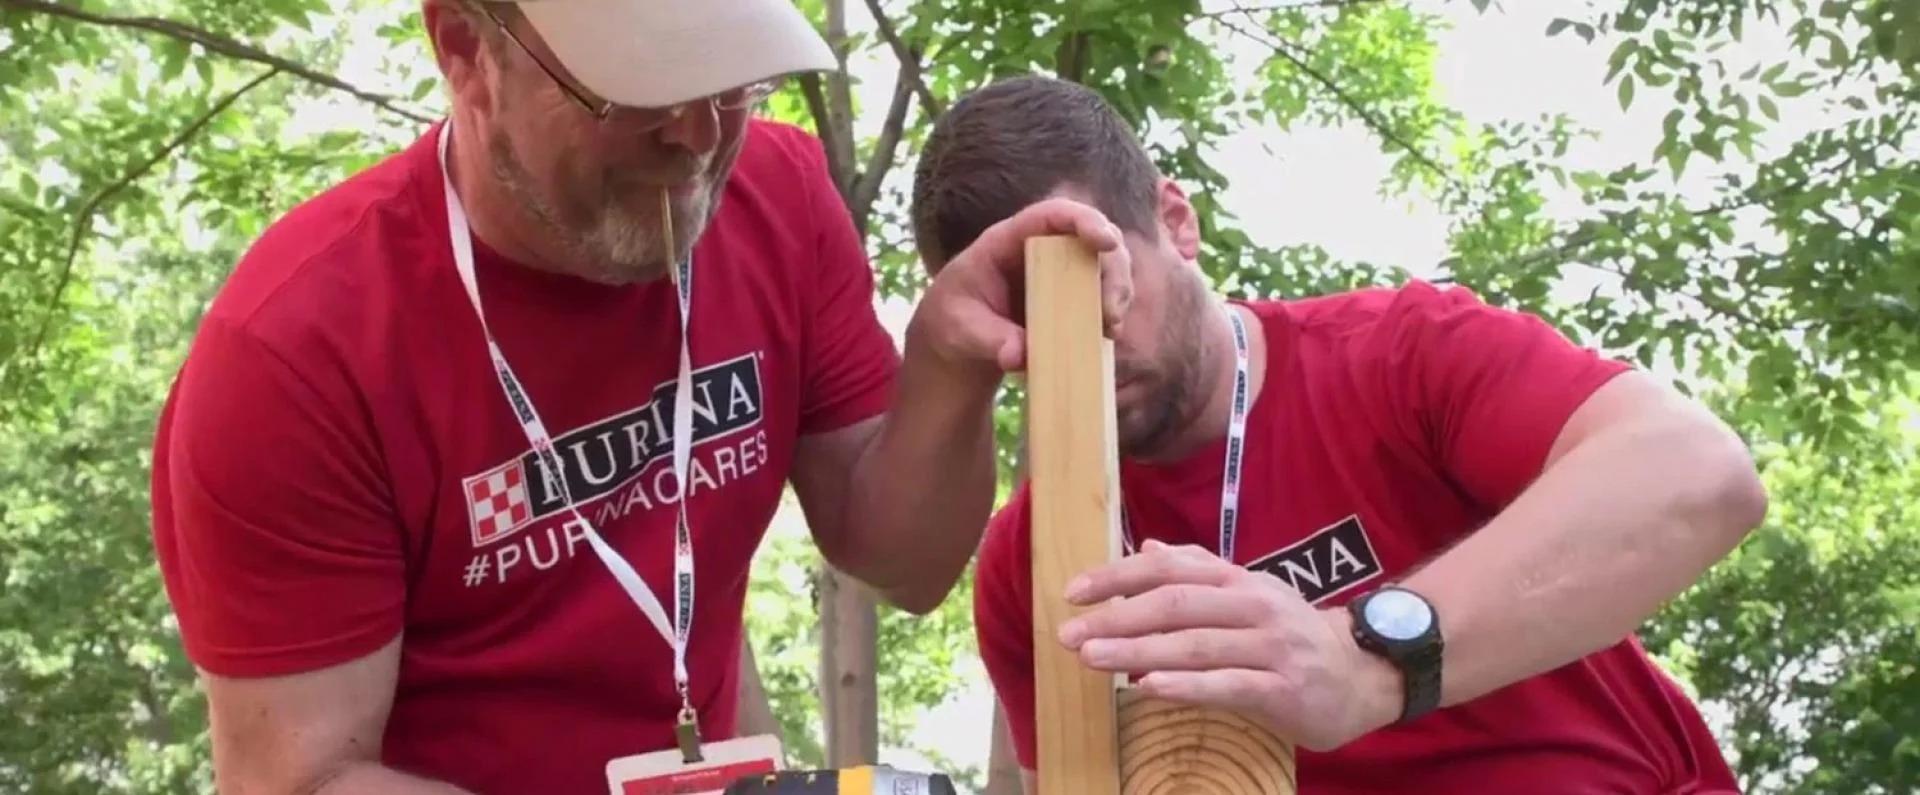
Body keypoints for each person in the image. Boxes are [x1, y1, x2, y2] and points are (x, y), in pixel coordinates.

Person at [147, 2, 1132, 792]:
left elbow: (904, 562)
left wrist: (948, 364)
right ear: (464, 46)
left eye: (729, 74)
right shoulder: (299, 350)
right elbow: (301, 777)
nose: (699, 135)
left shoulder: (779, 197)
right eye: (638, 85)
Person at [913, 76, 1769, 793]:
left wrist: (1364, 659)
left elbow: (1699, 474)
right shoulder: (1031, 567)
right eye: (1017, 313)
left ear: (1176, 221)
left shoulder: (1399, 357)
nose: (1075, 339)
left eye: (1094, 276)